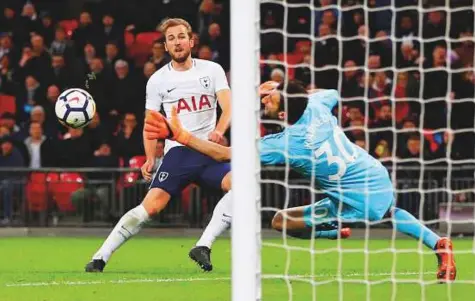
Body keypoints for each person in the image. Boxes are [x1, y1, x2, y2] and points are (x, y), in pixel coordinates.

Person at [143, 80, 456, 282]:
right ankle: (437, 243)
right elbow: (330, 95)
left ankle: (334, 230)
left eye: (271, 101)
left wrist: (182, 136)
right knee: (388, 212)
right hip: (370, 171)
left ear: (282, 115)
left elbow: (224, 154)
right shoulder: (317, 106)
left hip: (354, 196)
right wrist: (291, 95)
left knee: (282, 224)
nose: (266, 102)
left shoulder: (284, 143)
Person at [85, 18, 232, 273]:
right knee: (150, 207)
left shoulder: (212, 70)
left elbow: (229, 106)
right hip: (179, 154)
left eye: (181, 36)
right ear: (165, 46)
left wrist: (219, 131)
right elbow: (149, 123)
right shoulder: (157, 80)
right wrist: (150, 157)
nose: (177, 42)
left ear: (191, 41)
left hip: (208, 150)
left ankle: (203, 245)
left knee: (243, 188)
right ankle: (100, 256)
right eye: (171, 38)